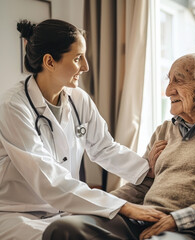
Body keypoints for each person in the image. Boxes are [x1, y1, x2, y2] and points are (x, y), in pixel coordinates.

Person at [44, 53, 195, 240]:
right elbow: (142, 186)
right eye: (168, 80)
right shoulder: (165, 130)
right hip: (143, 219)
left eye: (178, 81)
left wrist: (176, 220)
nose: (168, 91)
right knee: (64, 229)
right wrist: (99, 205)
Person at [0, 19, 163, 240]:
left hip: (63, 211)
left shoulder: (78, 99)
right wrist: (122, 205)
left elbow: (104, 147)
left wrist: (146, 169)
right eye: (78, 58)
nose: (86, 66)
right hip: (18, 214)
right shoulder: (13, 106)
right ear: (49, 61)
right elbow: (48, 179)